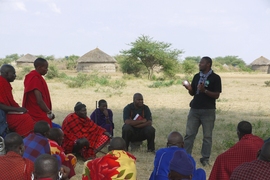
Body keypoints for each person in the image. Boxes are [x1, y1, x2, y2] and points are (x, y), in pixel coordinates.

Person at [182, 56, 222, 166]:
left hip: (208, 110)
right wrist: (190, 88)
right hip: (194, 109)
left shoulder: (215, 78)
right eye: (200, 62)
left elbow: (217, 95)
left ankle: (205, 159)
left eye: (202, 63)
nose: (199, 64)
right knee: (189, 134)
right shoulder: (196, 76)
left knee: (207, 136)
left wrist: (205, 91)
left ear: (208, 64)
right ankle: (186, 156)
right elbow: (193, 93)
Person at [0, 64, 34, 137]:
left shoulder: (5, 83)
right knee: (25, 119)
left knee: (27, 115)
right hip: (2, 114)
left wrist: (19, 109)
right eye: (13, 73)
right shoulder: (1, 83)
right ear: (6, 73)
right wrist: (17, 109)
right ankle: (22, 140)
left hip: (6, 112)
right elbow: (1, 105)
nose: (15, 76)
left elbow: (9, 101)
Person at [23, 57, 58, 128]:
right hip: (37, 112)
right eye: (45, 68)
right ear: (39, 67)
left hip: (34, 111)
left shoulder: (32, 77)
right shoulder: (35, 79)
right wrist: (49, 112)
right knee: (45, 128)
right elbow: (39, 100)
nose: (47, 70)